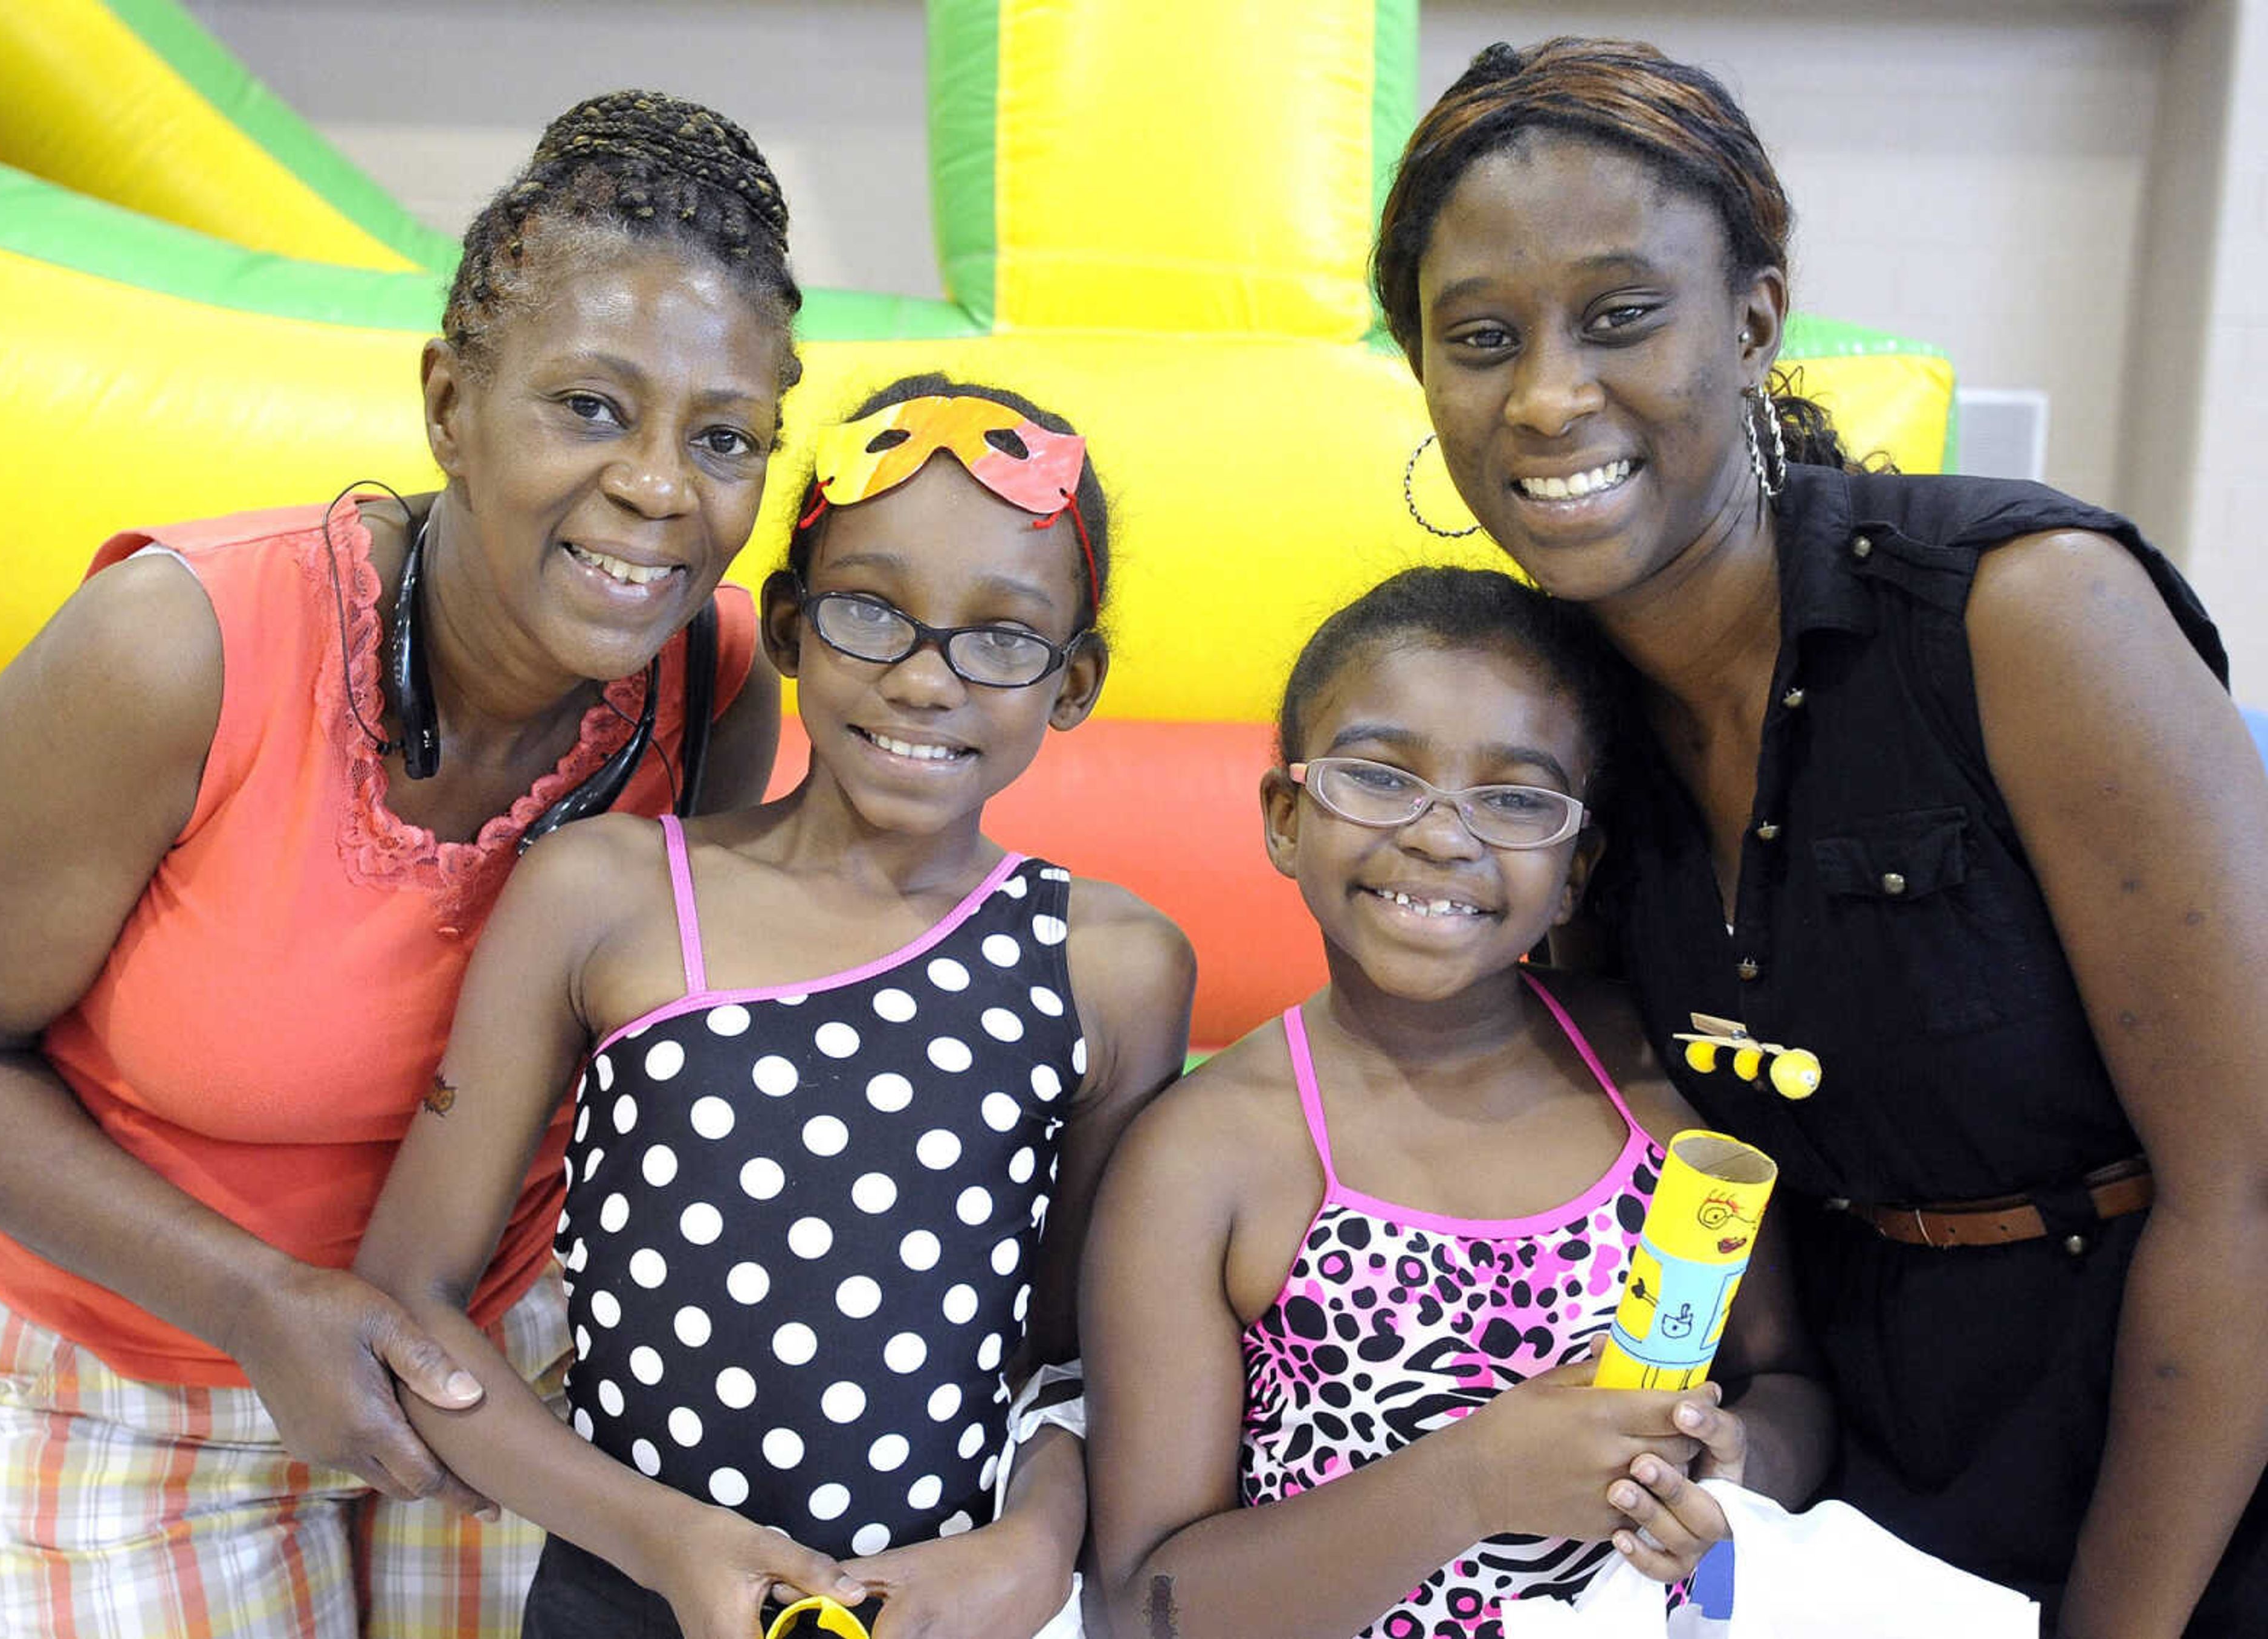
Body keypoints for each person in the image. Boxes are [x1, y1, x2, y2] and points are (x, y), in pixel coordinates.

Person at [1369, 37, 2268, 1638]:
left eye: (1622, 315)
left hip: (2192, 1475)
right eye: (1480, 339)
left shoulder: (2021, 615)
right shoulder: (1558, 737)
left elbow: (2252, 1195)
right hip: (1855, 1507)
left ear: (1758, 321)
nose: (1549, 394)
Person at [0, 90, 800, 1637]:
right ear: (448, 404)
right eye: (591, 408)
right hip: (138, 1394)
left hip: (500, 1373)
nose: (664, 491)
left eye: (725, 438)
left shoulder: (710, 681)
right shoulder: (182, 649)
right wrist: (259, 1304)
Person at [352, 375, 1197, 1639]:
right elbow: (409, 1302)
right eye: (872, 613)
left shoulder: (1114, 966)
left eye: (1003, 637)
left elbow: (1074, 1361)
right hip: (616, 1595)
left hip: (941, 1611)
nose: (925, 679)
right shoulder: (607, 895)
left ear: (1072, 683)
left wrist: (1031, 1548)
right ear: (791, 628)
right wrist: (660, 1537)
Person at [1081, 567, 1830, 1639]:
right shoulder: (1204, 1159)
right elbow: (1145, 1605)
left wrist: (1740, 1469)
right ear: (1288, 818)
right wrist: (1472, 1484)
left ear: (1576, 870)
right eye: (1381, 777)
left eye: (1517, 799)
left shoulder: (1661, 1088)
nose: (1441, 835)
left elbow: (1790, 1382)